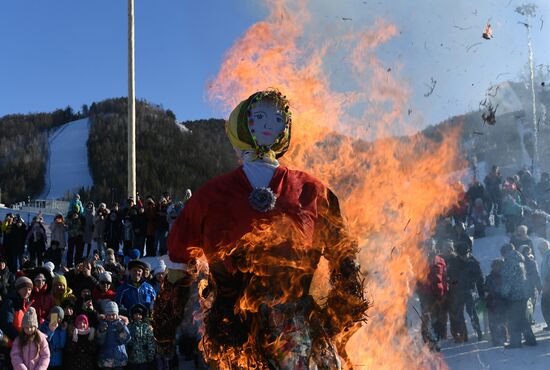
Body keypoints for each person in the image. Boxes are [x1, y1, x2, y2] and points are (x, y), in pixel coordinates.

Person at [156, 90, 369, 368]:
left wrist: (164, 329)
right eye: (259, 117)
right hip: (241, 333)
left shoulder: (310, 191)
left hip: (283, 332)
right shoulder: (213, 197)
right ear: (245, 126)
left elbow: (344, 256)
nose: (268, 125)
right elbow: (178, 267)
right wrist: (165, 326)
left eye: (277, 119)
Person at [500, 243, 536, 348]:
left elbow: (508, 280)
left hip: (514, 295)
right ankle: (530, 339)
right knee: (522, 318)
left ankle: (515, 342)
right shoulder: (520, 258)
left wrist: (504, 293)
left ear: (505, 252)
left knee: (513, 319)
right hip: (523, 292)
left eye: (503, 254)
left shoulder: (509, 262)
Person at [446, 242, 484, 342]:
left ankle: (478, 331)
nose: (464, 256)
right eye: (461, 254)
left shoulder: (473, 262)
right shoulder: (453, 263)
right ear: (458, 253)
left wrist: (480, 292)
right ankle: (464, 334)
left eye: (466, 254)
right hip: (457, 292)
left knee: (472, 312)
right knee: (459, 314)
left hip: (470, 290)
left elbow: (479, 277)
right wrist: (454, 285)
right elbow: (450, 279)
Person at [96, 301, 131, 369]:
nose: (111, 316)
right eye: (109, 314)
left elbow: (127, 340)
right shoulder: (102, 324)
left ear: (117, 315)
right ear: (105, 315)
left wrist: (121, 331)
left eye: (113, 314)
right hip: (106, 357)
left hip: (119, 357)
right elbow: (99, 341)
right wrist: (102, 331)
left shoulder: (121, 324)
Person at [484, 259, 507, 346]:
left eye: (499, 266)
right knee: (492, 322)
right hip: (491, 302)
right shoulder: (489, 277)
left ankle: (503, 337)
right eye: (495, 266)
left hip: (502, 302)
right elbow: (485, 289)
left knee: (502, 321)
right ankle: (495, 339)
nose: (496, 268)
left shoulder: (505, 276)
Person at [126, 304, 155, 370]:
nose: (137, 316)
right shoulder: (129, 327)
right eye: (135, 314)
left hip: (143, 358)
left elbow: (150, 341)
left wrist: (150, 354)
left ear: (142, 315)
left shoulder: (146, 327)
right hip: (131, 357)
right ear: (132, 315)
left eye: (140, 314)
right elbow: (125, 341)